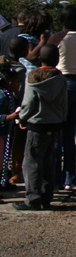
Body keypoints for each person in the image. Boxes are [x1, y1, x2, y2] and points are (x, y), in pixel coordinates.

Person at [14, 44, 67, 211]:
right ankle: (46, 197)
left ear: (39, 58)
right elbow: (63, 104)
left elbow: (28, 103)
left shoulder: (32, 77)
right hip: (54, 123)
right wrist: (62, 122)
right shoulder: (60, 78)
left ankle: (32, 198)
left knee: (32, 162)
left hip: (37, 125)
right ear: (57, 60)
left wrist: (23, 118)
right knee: (48, 161)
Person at [49, 4, 76, 191]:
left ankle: (56, 178)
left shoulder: (58, 37)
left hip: (62, 82)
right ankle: (69, 178)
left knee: (57, 133)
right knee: (69, 136)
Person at [0, 57, 25, 190]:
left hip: (4, 135)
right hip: (0, 135)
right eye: (18, 82)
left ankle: (3, 183)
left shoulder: (8, 95)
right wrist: (8, 117)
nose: (19, 86)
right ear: (10, 83)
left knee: (3, 161)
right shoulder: (2, 97)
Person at [7, 37, 30, 184]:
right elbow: (20, 93)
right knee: (17, 142)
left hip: (4, 111)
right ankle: (15, 171)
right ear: (23, 51)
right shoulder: (20, 70)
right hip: (15, 110)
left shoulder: (4, 64)